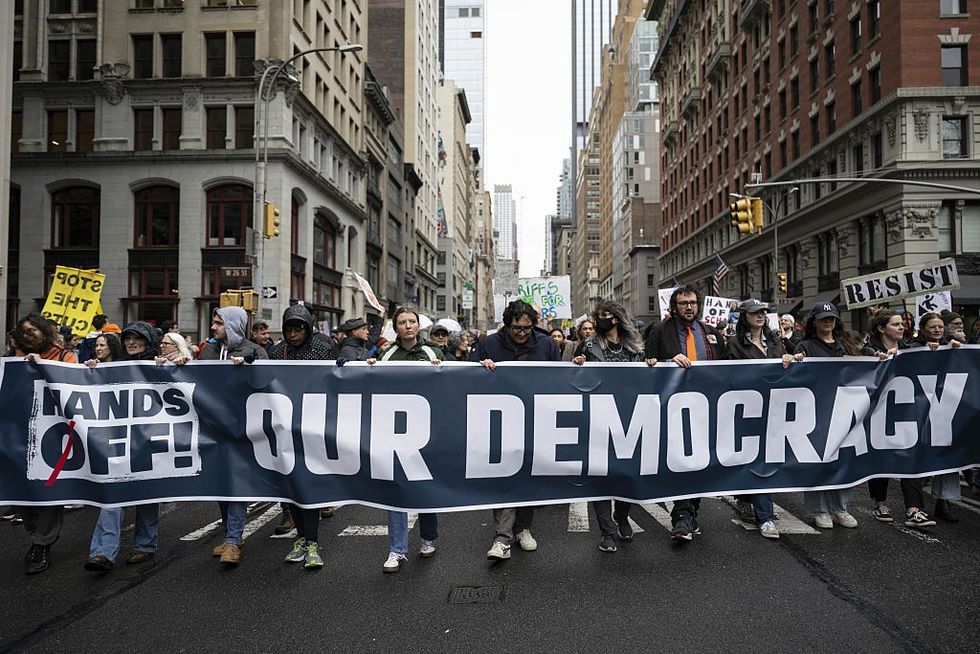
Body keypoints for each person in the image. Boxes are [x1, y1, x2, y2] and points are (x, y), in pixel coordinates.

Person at [473, 300, 560, 561]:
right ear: (506, 324)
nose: (522, 333)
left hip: (536, 420)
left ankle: (523, 527)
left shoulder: (546, 344)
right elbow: (465, 376)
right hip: (500, 423)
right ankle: (502, 537)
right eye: (516, 329)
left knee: (528, 477)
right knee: (503, 477)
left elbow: (559, 381)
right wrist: (481, 368)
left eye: (527, 328)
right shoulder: (489, 344)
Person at [571, 300, 656, 552]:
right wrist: (576, 366)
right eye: (598, 316)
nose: (600, 320)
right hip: (597, 417)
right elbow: (573, 380)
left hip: (630, 417)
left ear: (616, 318)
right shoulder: (587, 345)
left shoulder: (636, 346)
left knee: (625, 473)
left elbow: (647, 381)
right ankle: (607, 531)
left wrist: (651, 365)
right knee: (600, 473)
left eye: (605, 315)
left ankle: (621, 515)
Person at [643, 286, 725, 541]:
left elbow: (729, 367)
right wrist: (667, 362)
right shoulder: (660, 330)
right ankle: (682, 516)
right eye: (683, 303)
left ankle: (689, 513)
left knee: (699, 462)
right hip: (674, 408)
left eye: (692, 302)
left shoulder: (710, 334)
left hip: (707, 407)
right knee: (681, 460)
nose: (689, 307)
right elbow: (647, 364)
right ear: (674, 307)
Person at [368, 305, 442, 572]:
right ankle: (396, 549)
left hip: (427, 431)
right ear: (395, 327)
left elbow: (448, 387)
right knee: (396, 489)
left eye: (412, 321)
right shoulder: (386, 354)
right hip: (395, 431)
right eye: (402, 322)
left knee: (423, 486)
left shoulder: (434, 351)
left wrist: (440, 369)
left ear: (419, 325)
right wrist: (370, 368)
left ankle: (427, 537)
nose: (408, 326)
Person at [83, 324, 163, 572]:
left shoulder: (158, 364)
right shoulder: (113, 366)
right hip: (119, 441)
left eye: (137, 338)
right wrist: (92, 372)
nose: (131, 343)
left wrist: (174, 366)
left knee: (148, 493)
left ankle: (145, 545)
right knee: (113, 492)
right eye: (127, 338)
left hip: (150, 440)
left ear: (147, 341)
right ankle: (102, 552)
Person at [724, 299, 804, 540]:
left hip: (774, 411)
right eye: (754, 312)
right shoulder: (735, 344)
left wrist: (789, 360)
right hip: (748, 411)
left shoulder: (776, 342)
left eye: (762, 312)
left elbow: (785, 370)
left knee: (765, 462)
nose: (760, 316)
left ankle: (749, 499)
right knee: (757, 462)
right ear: (744, 316)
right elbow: (729, 376)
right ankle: (765, 516)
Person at [268, 303, 337, 570]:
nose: (294, 334)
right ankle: (301, 539)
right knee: (291, 489)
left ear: (308, 329)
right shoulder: (275, 352)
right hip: (284, 429)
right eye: (289, 328)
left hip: (312, 428)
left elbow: (334, 382)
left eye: (299, 328)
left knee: (308, 486)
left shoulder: (323, 348)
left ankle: (312, 543)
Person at [198, 306, 269, 565]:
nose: (214, 327)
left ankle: (232, 540)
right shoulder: (209, 350)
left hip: (242, 427)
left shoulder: (254, 351)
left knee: (236, 483)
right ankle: (232, 535)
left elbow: (268, 384)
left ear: (233, 325)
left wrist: (249, 369)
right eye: (214, 322)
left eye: (219, 323)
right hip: (214, 427)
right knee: (220, 484)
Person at [11, 314, 78, 574]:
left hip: (51, 435)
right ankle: (35, 532)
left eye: (33, 331)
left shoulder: (64, 358)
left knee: (49, 488)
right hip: (18, 435)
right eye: (23, 331)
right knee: (23, 490)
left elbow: (75, 385)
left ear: (45, 333)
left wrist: (42, 367)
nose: (27, 336)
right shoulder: (10, 358)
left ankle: (41, 542)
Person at [860, 308, 937, 529]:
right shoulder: (869, 350)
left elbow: (928, 362)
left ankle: (914, 510)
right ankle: (880, 502)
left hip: (906, 415)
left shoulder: (909, 349)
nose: (901, 327)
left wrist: (934, 349)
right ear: (881, 328)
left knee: (910, 458)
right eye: (896, 324)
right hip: (879, 415)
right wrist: (875, 361)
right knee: (881, 458)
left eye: (902, 323)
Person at [794, 301, 859, 529]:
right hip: (816, 412)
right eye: (823, 318)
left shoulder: (847, 345)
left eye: (831, 317)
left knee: (843, 460)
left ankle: (840, 507)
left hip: (845, 410)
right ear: (814, 321)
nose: (828, 321)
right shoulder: (805, 346)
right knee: (818, 461)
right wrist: (795, 362)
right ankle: (819, 510)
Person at [913, 312, 964, 522]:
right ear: (923, 328)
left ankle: (944, 503)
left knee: (947, 455)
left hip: (944, 410)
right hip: (920, 409)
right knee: (919, 457)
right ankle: (915, 505)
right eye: (933, 327)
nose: (937, 330)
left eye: (941, 327)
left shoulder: (951, 345)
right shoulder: (912, 346)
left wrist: (956, 350)